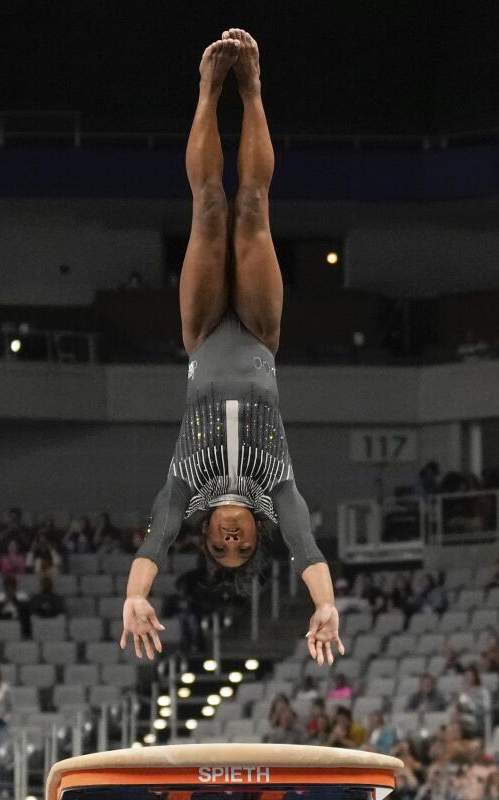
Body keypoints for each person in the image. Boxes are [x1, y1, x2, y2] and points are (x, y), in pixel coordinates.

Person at [122, 30, 341, 666]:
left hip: (203, 334)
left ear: (208, 537)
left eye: (225, 547)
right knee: (253, 207)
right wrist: (324, 605)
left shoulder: (184, 488)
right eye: (243, 546)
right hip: (259, 336)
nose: (235, 539)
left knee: (208, 207)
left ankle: (207, 89)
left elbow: (152, 546)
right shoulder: (278, 489)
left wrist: (136, 596)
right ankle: (250, 89)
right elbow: (309, 551)